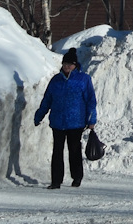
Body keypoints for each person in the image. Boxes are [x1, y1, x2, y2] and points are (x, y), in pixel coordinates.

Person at [33, 48, 99, 189]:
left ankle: (77, 177)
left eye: (70, 64)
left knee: (74, 151)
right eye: (65, 64)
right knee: (57, 151)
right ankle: (56, 181)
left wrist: (91, 120)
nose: (67, 67)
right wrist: (39, 115)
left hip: (76, 122)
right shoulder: (55, 80)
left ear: (75, 65)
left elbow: (91, 101)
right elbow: (47, 100)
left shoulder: (83, 80)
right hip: (57, 122)